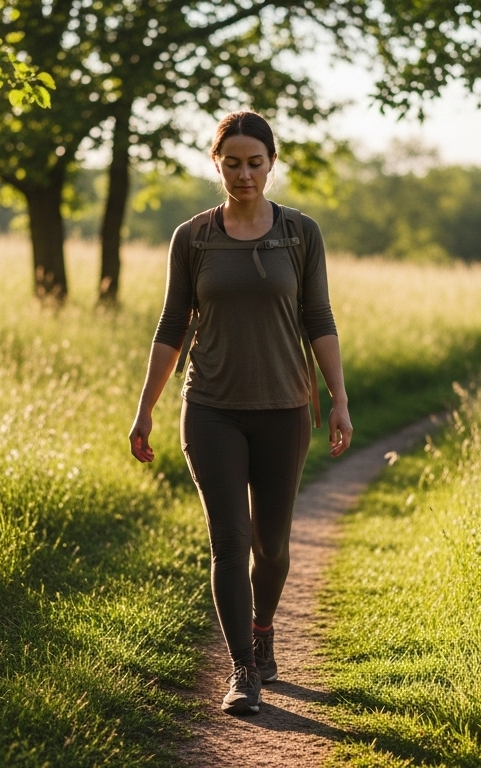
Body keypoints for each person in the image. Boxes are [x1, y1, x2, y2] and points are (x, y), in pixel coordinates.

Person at [128, 110, 353, 716]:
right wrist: (144, 408)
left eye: (256, 163)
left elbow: (318, 319)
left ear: (271, 164)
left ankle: (262, 629)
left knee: (270, 546)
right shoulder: (194, 237)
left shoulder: (300, 234)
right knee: (228, 539)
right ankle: (243, 670)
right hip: (210, 409)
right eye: (233, 163)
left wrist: (338, 398)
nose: (245, 174)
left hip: (284, 408)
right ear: (216, 163)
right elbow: (172, 325)